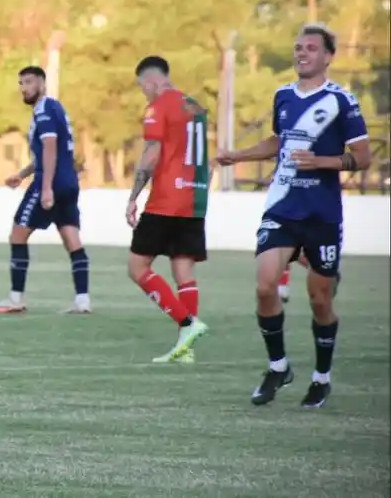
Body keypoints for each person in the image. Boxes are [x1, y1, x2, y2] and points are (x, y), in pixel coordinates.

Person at [217, 24, 369, 408]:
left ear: (328, 57)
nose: (302, 53)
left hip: (322, 213)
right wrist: (238, 156)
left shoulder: (342, 101)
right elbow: (278, 141)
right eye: (298, 47)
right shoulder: (283, 95)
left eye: (312, 48)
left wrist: (321, 161)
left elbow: (363, 158)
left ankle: (321, 377)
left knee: (320, 299)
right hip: (282, 207)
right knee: (266, 286)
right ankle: (278, 366)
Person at [124, 56, 211, 363]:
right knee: (183, 271)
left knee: (137, 268)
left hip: (166, 199)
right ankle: (185, 346)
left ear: (151, 81)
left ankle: (187, 324)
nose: (144, 94)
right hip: (195, 198)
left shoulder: (158, 106)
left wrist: (134, 195)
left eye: (142, 87)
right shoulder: (196, 107)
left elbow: (152, 153)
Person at [0, 66, 92, 315]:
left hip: (52, 182)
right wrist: (22, 175)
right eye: (21, 83)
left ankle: (15, 298)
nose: (24, 88)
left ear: (42, 84)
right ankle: (83, 300)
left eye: (29, 82)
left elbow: (50, 146)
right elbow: (46, 152)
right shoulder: (55, 108)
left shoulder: (44, 109)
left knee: (17, 235)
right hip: (68, 182)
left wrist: (45, 188)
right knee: (71, 238)